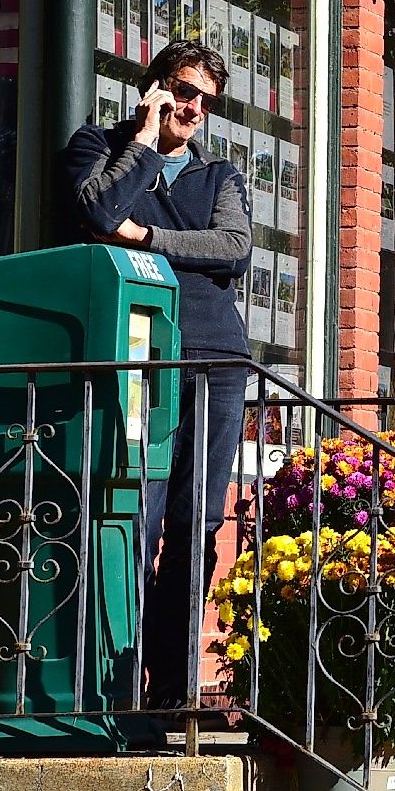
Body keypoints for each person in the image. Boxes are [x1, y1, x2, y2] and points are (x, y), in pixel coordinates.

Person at [66, 39, 254, 711]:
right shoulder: (99, 146)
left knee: (195, 521)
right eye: (181, 89)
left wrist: (145, 237)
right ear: (152, 88)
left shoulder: (220, 178)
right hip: (135, 356)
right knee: (132, 513)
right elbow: (93, 210)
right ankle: (114, 682)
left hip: (215, 361)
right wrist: (142, 144)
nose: (192, 106)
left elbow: (233, 249)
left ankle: (171, 688)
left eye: (204, 98)